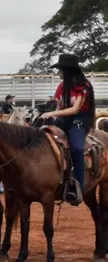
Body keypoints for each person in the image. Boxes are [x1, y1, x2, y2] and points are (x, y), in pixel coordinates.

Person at [39, 53, 96, 206]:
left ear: (68, 71)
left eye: (60, 69)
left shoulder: (84, 86)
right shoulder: (61, 86)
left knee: (76, 148)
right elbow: (59, 107)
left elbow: (75, 109)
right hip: (64, 119)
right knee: (39, 134)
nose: (58, 72)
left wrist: (53, 114)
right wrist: (51, 117)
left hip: (79, 120)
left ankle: (79, 185)